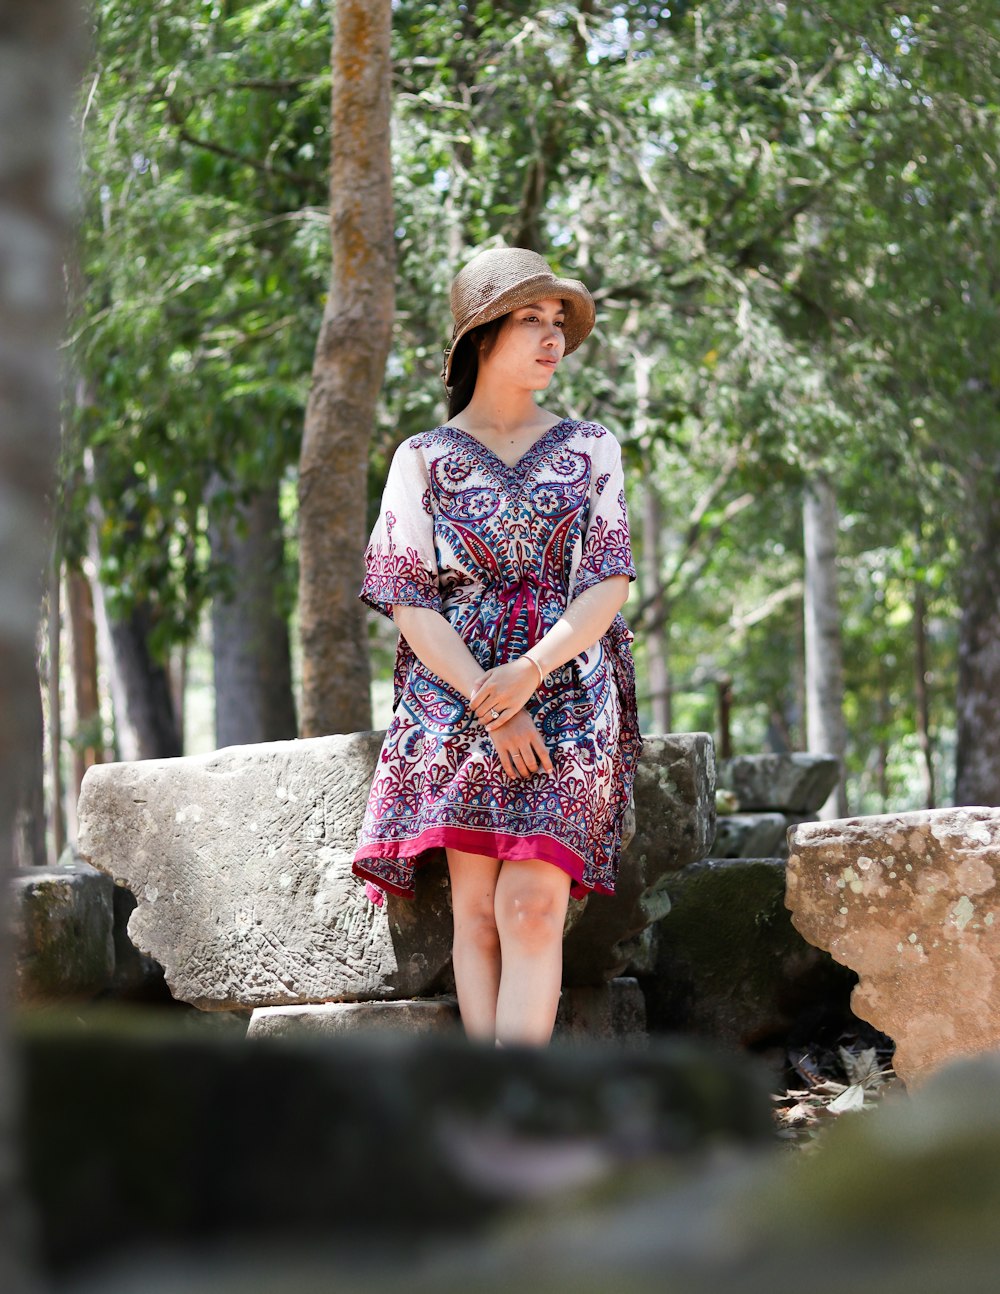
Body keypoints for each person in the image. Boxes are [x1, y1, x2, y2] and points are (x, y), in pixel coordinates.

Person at [353, 245, 641, 1046]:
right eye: (530, 321)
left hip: (570, 689)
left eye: (559, 323)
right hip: (454, 696)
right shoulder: (422, 460)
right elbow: (409, 599)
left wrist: (530, 671)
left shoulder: (592, 447)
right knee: (476, 914)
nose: (553, 338)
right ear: (481, 336)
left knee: (531, 904)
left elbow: (608, 583)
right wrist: (491, 701)